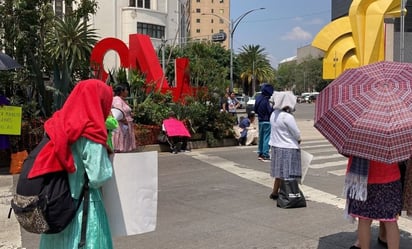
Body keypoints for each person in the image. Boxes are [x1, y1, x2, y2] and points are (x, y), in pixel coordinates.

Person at [30, 79, 114, 249]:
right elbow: (98, 177)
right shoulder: (92, 132)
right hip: (84, 208)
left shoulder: (57, 123)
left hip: (55, 205)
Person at [345, 156, 402, 249]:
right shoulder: (392, 141)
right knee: (390, 220)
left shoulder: (361, 141)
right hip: (390, 177)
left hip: (364, 178)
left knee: (364, 219)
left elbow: (348, 152)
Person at [268, 92, 301, 199]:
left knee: (279, 172)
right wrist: (299, 139)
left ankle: (274, 192)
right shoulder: (287, 117)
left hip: (276, 146)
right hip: (288, 147)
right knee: (288, 173)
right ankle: (288, 193)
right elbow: (296, 133)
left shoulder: (274, 114)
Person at [111, 84, 136, 152]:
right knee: (121, 141)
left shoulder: (122, 100)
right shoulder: (117, 100)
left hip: (125, 124)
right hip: (121, 125)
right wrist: (124, 119)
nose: (127, 92)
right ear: (122, 91)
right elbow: (118, 112)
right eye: (126, 90)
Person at [254, 84, 274, 161]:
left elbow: (255, 109)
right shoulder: (266, 100)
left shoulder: (258, 98)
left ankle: (260, 152)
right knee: (267, 138)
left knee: (261, 137)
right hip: (267, 121)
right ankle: (265, 154)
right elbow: (269, 111)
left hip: (260, 120)